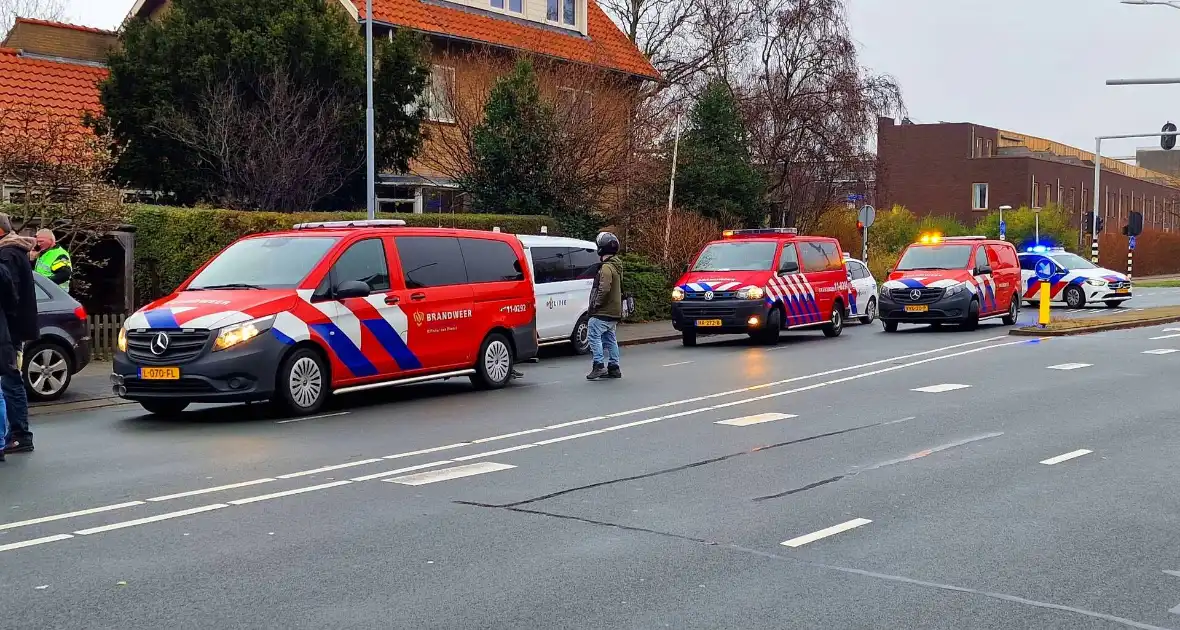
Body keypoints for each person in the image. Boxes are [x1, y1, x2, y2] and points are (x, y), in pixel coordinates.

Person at [0, 215, 37, 454]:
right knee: (11, 379)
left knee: (10, 380)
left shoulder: (7, 254)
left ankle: (20, 434)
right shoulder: (16, 251)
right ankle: (18, 433)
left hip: (9, 329)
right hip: (15, 327)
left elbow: (8, 294)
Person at [586, 232, 623, 381]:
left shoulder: (606, 267)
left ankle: (598, 365)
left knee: (593, 333)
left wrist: (596, 304)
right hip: (615, 310)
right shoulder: (616, 266)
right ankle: (614, 368)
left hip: (604, 310)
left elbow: (604, 288)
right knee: (610, 338)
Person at [33, 228, 71, 293]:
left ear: (51, 241)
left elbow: (64, 274)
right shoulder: (44, 252)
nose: (38, 244)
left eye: (41, 241)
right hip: (45, 292)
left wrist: (44, 284)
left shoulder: (59, 254)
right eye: (37, 241)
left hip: (57, 293)